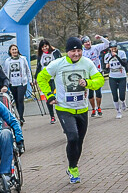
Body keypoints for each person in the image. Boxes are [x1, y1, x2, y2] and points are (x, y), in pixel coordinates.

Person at [37, 37, 104, 183]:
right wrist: (49, 95)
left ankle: (73, 166)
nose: (76, 54)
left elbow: (100, 80)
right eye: (73, 51)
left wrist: (88, 82)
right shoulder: (58, 64)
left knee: (79, 141)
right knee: (72, 137)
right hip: (64, 108)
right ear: (67, 52)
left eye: (79, 50)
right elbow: (41, 78)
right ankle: (73, 169)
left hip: (82, 108)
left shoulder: (87, 63)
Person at [81, 35, 110, 116]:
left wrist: (101, 38)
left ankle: (99, 108)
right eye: (86, 42)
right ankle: (93, 109)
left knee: (98, 92)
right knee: (90, 93)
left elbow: (107, 44)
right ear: (83, 44)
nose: (88, 43)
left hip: (97, 72)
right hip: (88, 74)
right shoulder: (82, 52)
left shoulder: (95, 48)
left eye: (89, 41)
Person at [3, 45, 31, 124]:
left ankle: (21, 117)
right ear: (10, 51)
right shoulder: (7, 61)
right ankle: (19, 115)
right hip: (12, 83)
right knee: (16, 100)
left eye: (15, 49)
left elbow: (27, 70)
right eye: (13, 50)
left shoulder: (23, 59)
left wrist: (30, 80)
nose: (14, 51)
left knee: (20, 99)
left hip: (22, 83)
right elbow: (5, 72)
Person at [36, 39, 62, 124]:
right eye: (42, 47)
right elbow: (38, 66)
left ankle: (61, 114)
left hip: (55, 78)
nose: (45, 48)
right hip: (45, 79)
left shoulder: (55, 52)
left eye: (46, 46)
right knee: (49, 97)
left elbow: (61, 62)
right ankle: (52, 116)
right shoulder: (40, 55)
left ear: (49, 45)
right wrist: (35, 77)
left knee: (57, 96)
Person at [103, 41, 128, 118]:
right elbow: (105, 69)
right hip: (112, 76)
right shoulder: (107, 56)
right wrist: (106, 67)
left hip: (121, 76)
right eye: (112, 48)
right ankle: (118, 111)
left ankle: (123, 102)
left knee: (122, 95)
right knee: (114, 95)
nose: (113, 50)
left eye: (115, 48)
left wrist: (116, 56)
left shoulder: (121, 53)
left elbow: (124, 64)